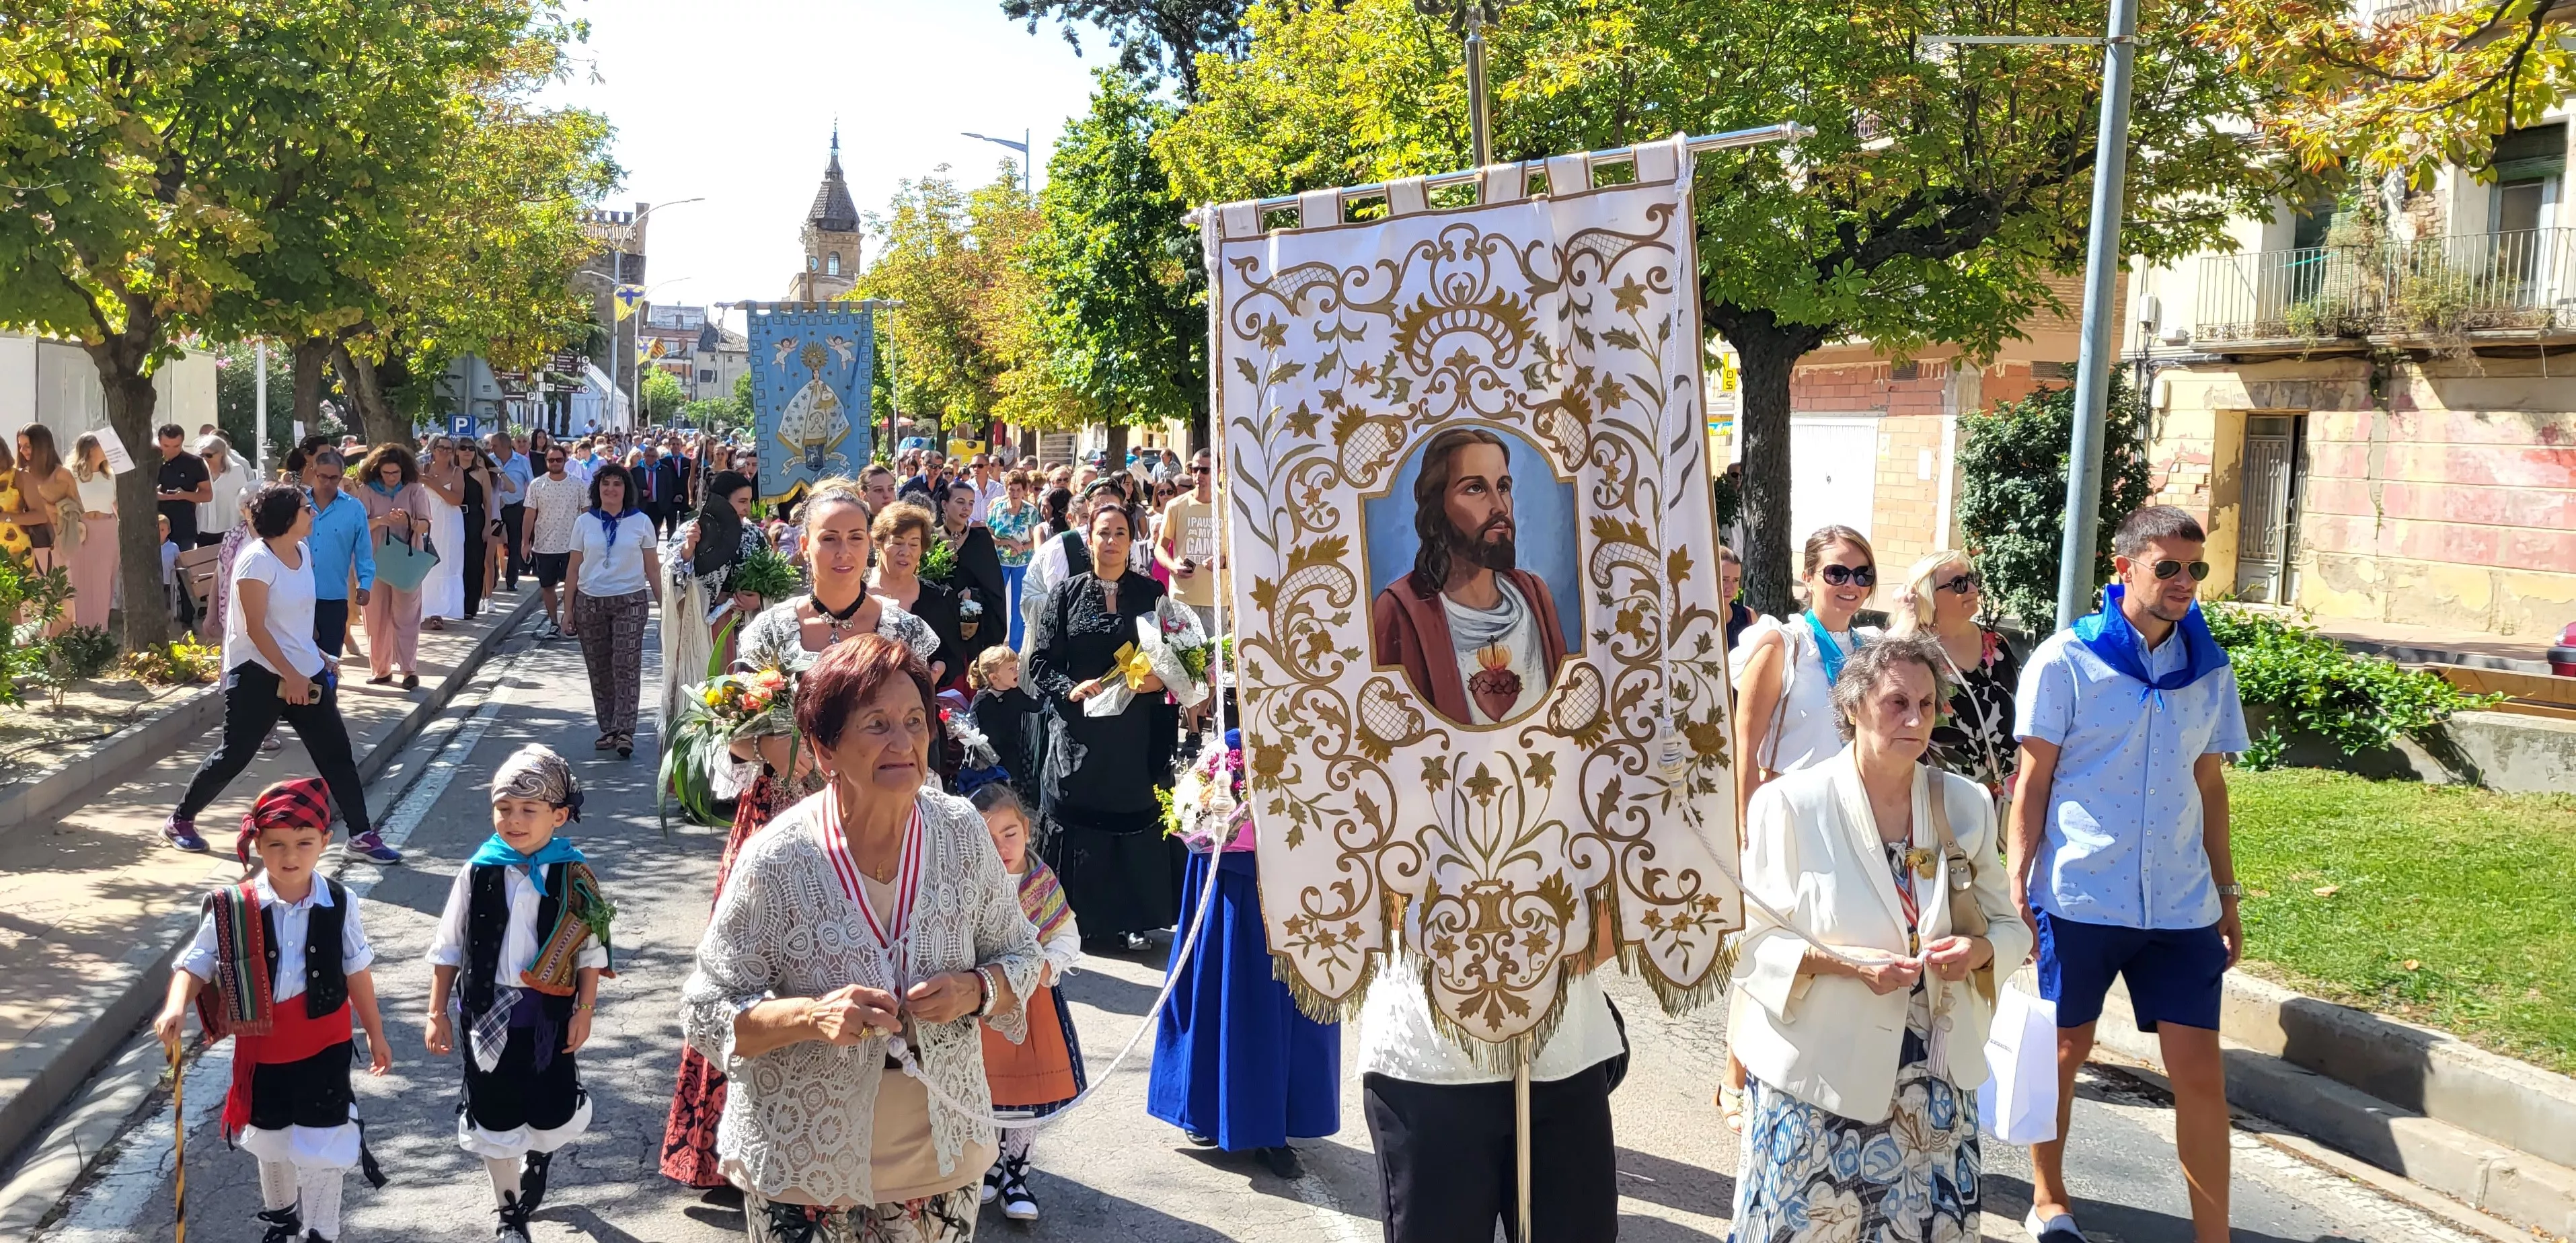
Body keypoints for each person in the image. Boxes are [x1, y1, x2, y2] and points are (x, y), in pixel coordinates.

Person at [678, 634, 1047, 1241]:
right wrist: (810, 1015)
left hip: (941, 1162)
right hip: (803, 1162)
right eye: (876, 725)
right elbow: (705, 1008)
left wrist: (976, 990)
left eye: (914, 721)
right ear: (826, 750)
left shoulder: (960, 834)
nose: (903, 742)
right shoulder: (779, 859)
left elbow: (1022, 957)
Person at [658, 478, 941, 1195]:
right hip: (782, 821)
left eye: (855, 537)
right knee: (754, 976)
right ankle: (744, 1142)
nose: (843, 551)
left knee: (880, 973)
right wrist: (786, 758)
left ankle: (879, 1140)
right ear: (803, 545)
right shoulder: (770, 631)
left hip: (880, 826)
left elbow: (919, 733)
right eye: (829, 537)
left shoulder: (905, 632)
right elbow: (735, 730)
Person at [1729, 636, 2031, 1243]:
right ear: (1854, 707)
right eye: (1897, 703)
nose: (1916, 720)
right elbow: (1746, 944)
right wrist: (1845, 965)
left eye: (1926, 704)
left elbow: (2009, 928)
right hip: (1819, 1079)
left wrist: (1979, 953)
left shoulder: (1965, 804)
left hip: (1933, 1085)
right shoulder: (1789, 804)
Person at [2011, 505, 2248, 1243]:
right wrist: (2016, 879)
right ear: (2124, 570)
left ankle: (2213, 1236)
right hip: (2081, 894)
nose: (2183, 583)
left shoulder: (2207, 670)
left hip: (2178, 907)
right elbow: (2033, 780)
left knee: (2200, 1077)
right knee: (2063, 1052)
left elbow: (2209, 786)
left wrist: (2226, 894)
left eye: (2194, 569)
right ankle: (2049, 1201)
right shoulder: (2065, 659)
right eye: (2166, 567)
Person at [152, 778, 393, 1243]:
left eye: (305, 843)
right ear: (256, 844)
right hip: (263, 1049)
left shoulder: (341, 902)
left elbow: (357, 971)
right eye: (276, 844)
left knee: (323, 1140)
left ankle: (321, 1230)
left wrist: (375, 1033)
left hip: (324, 1043)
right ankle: (282, 1221)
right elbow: (197, 962)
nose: (291, 856)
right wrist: (176, 1005)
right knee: (272, 1137)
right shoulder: (231, 907)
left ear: (325, 842)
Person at [424, 745, 615, 1243]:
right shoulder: (478, 871)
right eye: (504, 809)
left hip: (548, 1017)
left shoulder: (574, 875)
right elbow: (448, 946)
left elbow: (591, 951)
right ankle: (509, 1214)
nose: (514, 820)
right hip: (486, 1013)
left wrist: (585, 1010)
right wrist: (435, 1012)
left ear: (559, 815)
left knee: (548, 1107)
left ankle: (540, 1152)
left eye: (529, 810)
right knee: (494, 1112)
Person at [1722, 524, 1881, 1126]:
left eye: (1861, 574)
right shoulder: (1781, 642)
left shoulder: (1869, 647)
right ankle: (1735, 1078)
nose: (1849, 585)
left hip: (1849, 820)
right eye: (1837, 572)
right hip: (1783, 817)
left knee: (1824, 954)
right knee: (1771, 951)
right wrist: (1743, 831)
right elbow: (1746, 743)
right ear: (1808, 577)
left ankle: (1801, 1073)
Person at [161, 484, 396, 864]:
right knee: (234, 755)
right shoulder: (256, 561)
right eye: (306, 509)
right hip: (257, 674)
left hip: (303, 669)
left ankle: (361, 834)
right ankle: (180, 821)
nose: (313, 514)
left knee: (336, 754)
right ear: (286, 518)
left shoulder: (302, 552)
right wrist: (293, 675)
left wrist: (317, 656)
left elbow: (293, 621)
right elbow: (256, 629)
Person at [1147, 728, 1340, 1180]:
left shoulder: (1325, 738)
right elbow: (1190, 807)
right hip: (1231, 881)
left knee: (1283, 1002)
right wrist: (1212, 814)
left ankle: (1274, 1126)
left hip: (1295, 884)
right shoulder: (1229, 744)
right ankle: (1205, 1110)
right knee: (1221, 986)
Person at [1029, 495, 1181, 950]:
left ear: (1132, 541)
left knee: (1135, 812)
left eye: (1120, 533)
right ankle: (1079, 918)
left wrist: (1160, 681)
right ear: (1088, 539)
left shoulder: (1151, 594)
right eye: (1103, 533)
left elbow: (1176, 658)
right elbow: (1040, 661)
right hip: (1081, 731)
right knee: (1079, 811)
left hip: (1136, 731)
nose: (1111, 541)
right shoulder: (1066, 593)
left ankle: (1133, 918)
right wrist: (1069, 688)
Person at [1370, 428, 1568, 726]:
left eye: (1503, 487)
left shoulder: (1535, 596)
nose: (1500, 507)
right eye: (1475, 488)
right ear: (1438, 507)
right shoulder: (1399, 611)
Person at [970, 784, 1085, 1223]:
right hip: (981, 1006)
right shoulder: (967, 885)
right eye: (987, 837)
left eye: (1009, 833)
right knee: (982, 1094)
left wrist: (1047, 968)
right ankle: (986, 1166)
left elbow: (1067, 936)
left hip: (1032, 1009)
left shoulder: (1041, 883)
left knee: (1023, 1099)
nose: (1001, 846)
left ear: (1028, 831)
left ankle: (1016, 1173)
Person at [1891, 551, 2021, 798]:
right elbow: (1875, 682)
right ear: (1929, 595)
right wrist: (1907, 619)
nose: (1972, 589)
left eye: (1973, 579)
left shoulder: (1997, 645)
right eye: (1959, 584)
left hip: (2007, 797)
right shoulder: (1913, 650)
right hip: (1943, 801)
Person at [562, 463, 660, 757]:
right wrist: (567, 610)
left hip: (630, 601)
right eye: (606, 484)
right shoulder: (585, 522)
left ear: (625, 490)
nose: (611, 489)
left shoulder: (641, 521)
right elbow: (573, 568)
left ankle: (626, 730)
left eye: (618, 484)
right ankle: (609, 728)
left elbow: (653, 569)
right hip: (590, 602)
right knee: (600, 668)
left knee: (626, 664)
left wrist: (667, 606)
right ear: (598, 489)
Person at [356, 444, 430, 689]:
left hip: (406, 562)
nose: (390, 478)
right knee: (375, 616)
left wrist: (409, 520)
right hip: (374, 562)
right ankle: (381, 669)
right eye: (386, 473)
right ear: (377, 472)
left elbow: (425, 526)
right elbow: (360, 526)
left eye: (395, 473)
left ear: (403, 471)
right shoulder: (366, 491)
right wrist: (382, 521)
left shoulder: (415, 491)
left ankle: (409, 670)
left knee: (407, 616)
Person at [868, 502, 964, 690]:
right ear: (878, 542)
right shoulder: (857, 592)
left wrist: (938, 670)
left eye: (914, 544)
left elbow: (953, 658)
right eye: (897, 542)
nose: (906, 552)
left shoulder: (938, 599)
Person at [302, 451, 374, 665]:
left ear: (342, 476)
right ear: (314, 473)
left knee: (329, 661)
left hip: (333, 596)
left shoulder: (353, 509)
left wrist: (365, 583)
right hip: (295, 594)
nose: (327, 483)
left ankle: (328, 698)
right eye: (322, 476)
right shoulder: (296, 504)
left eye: (334, 478)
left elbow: (363, 550)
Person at [932, 480, 1004, 673]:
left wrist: (973, 595)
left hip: (974, 628)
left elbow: (994, 586)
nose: (967, 508)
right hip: (940, 626)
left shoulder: (981, 539)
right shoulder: (931, 538)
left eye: (971, 503)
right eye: (960, 502)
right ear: (945, 504)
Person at [1156, 451, 1227, 637]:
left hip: (1216, 600)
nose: (1198, 475)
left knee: (1214, 663)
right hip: (1182, 598)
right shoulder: (1176, 506)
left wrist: (1224, 561)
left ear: (1218, 471)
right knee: (1183, 660)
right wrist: (1173, 566)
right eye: (1193, 469)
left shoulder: (1228, 505)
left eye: (1205, 470)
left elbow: (1243, 551)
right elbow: (1160, 548)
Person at [523, 443, 586, 640]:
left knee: (573, 585)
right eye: (551, 460)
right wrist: (525, 542)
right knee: (547, 586)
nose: (555, 463)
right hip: (544, 544)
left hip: (572, 545)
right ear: (546, 462)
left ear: (565, 461)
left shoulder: (578, 484)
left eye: (559, 460)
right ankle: (553, 622)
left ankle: (571, 620)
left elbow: (586, 515)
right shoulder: (537, 485)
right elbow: (529, 515)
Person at [967, 647, 1042, 812]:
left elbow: (1034, 706)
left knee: (1014, 780)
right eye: (1011, 669)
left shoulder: (1015, 694)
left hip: (1013, 748)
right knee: (992, 783)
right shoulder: (982, 699)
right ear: (994, 677)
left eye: (1016, 667)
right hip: (989, 752)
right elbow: (971, 725)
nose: (1017, 671)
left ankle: (1014, 808)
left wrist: (1045, 691)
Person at [985, 472, 1043, 650]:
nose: (1015, 493)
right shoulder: (998, 508)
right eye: (1012, 489)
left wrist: (1022, 548)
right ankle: (994, 643)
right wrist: (1007, 542)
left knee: (1018, 605)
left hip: (1023, 563)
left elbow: (1037, 539)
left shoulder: (1031, 511)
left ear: (1024, 490)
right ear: (1006, 489)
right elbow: (990, 535)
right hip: (1000, 562)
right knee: (995, 602)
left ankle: (1016, 648)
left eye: (1019, 490)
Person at [67, 432, 118, 629]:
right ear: (90, 449)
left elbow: (117, 505)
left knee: (103, 582)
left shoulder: (110, 476)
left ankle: (100, 629)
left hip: (106, 530)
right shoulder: (70, 474)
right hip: (81, 530)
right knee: (79, 579)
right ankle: (78, 628)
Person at [418, 437, 467, 629]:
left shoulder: (457, 472)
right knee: (425, 565)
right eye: (441, 448)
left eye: (449, 449)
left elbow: (456, 499)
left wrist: (435, 486)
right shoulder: (423, 469)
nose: (445, 452)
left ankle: (439, 612)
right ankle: (422, 610)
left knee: (446, 564)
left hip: (449, 521)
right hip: (426, 520)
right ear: (433, 449)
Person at [155, 423, 214, 552]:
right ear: (159, 442)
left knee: (181, 570)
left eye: (176, 446)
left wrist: (183, 495)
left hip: (183, 527)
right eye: (166, 446)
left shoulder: (194, 463)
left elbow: (207, 495)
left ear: (182, 442)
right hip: (153, 526)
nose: (171, 450)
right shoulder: (150, 462)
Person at [490, 430, 529, 592]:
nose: (492, 448)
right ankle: (491, 579)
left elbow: (531, 482)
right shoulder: (490, 460)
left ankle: (512, 581)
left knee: (514, 544)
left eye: (495, 445)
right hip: (493, 508)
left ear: (506, 446)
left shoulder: (521, 461)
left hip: (515, 507)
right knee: (490, 544)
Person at [1719, 545, 1755, 654]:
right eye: (1724, 579)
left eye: (1735, 580)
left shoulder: (1749, 616)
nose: (1730, 587)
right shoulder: (1693, 618)